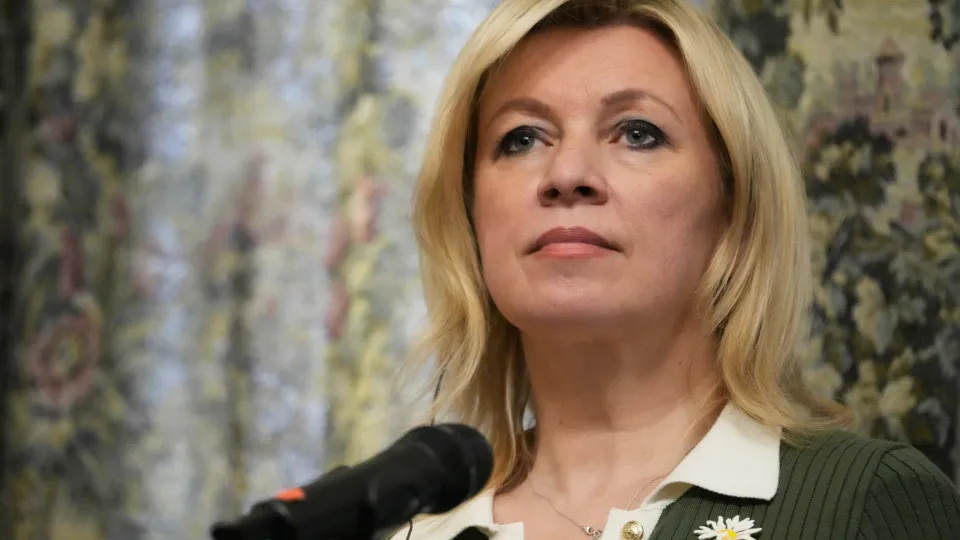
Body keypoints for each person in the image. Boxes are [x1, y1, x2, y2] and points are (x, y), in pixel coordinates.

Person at [399, 0, 960, 538]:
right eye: (521, 138)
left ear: (733, 206)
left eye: (637, 133)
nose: (566, 174)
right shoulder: (413, 531)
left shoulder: (868, 502)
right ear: (471, 215)